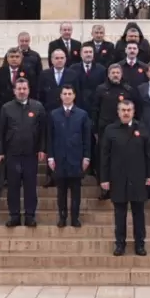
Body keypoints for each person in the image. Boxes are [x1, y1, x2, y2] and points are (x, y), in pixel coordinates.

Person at [99, 99, 150, 256]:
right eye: (123, 110)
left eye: (129, 110)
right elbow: (104, 156)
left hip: (138, 177)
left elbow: (149, 154)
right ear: (118, 112)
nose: (126, 113)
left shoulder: (142, 128)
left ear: (133, 112)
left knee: (139, 213)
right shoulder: (110, 130)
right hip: (118, 178)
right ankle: (120, 244)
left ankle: (140, 244)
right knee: (119, 214)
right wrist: (104, 178)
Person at [0, 77, 46, 227]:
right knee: (13, 187)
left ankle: (30, 215)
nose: (22, 91)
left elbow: (43, 131)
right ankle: (14, 216)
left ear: (29, 90)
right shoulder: (6, 108)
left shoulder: (38, 107)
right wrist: (0, 152)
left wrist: (42, 148)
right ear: (14, 91)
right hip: (12, 154)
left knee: (30, 186)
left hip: (31, 154)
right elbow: (0, 132)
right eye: (19, 89)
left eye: (24, 88)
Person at [48, 84, 91, 228]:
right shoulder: (54, 114)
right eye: (64, 94)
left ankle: (75, 218)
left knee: (76, 191)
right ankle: (62, 217)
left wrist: (86, 157)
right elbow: (50, 137)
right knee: (61, 191)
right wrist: (50, 157)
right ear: (61, 96)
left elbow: (87, 138)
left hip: (76, 158)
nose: (67, 96)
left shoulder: (82, 114)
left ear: (74, 96)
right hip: (59, 158)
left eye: (69, 94)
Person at [66, 44, 105, 113]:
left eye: (90, 52)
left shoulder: (101, 69)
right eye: (86, 52)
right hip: (78, 106)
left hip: (95, 107)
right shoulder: (73, 69)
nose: (88, 54)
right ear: (81, 54)